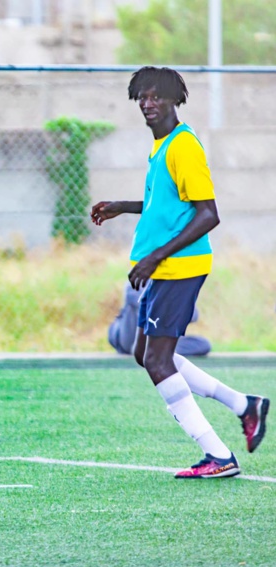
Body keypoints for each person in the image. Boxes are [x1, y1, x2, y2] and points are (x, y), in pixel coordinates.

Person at [90, 66, 269, 479]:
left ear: (175, 100)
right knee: (145, 353)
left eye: (157, 97)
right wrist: (123, 206)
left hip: (179, 267)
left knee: (157, 361)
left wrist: (155, 258)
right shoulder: (162, 146)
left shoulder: (183, 146)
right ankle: (245, 406)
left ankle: (218, 455)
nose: (148, 104)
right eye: (142, 98)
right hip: (164, 266)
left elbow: (208, 215)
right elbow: (168, 205)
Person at [108, 281, 211, 357]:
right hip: (128, 337)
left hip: (158, 339)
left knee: (202, 344)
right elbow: (138, 302)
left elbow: (193, 315)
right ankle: (147, 348)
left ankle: (152, 349)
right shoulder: (141, 277)